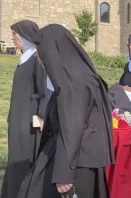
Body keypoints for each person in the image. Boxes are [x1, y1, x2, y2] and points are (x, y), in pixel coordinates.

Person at [17, 24, 114, 198]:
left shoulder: (75, 84)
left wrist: (64, 173)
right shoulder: (75, 77)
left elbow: (72, 129)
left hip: (75, 162)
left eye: (40, 48)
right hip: (74, 156)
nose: (38, 54)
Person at [1, 20, 51, 198]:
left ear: (24, 36)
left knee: (25, 157)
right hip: (17, 117)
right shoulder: (25, 58)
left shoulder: (37, 59)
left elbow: (45, 92)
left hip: (30, 120)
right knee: (15, 156)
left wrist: (41, 117)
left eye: (15, 34)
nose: (13, 38)